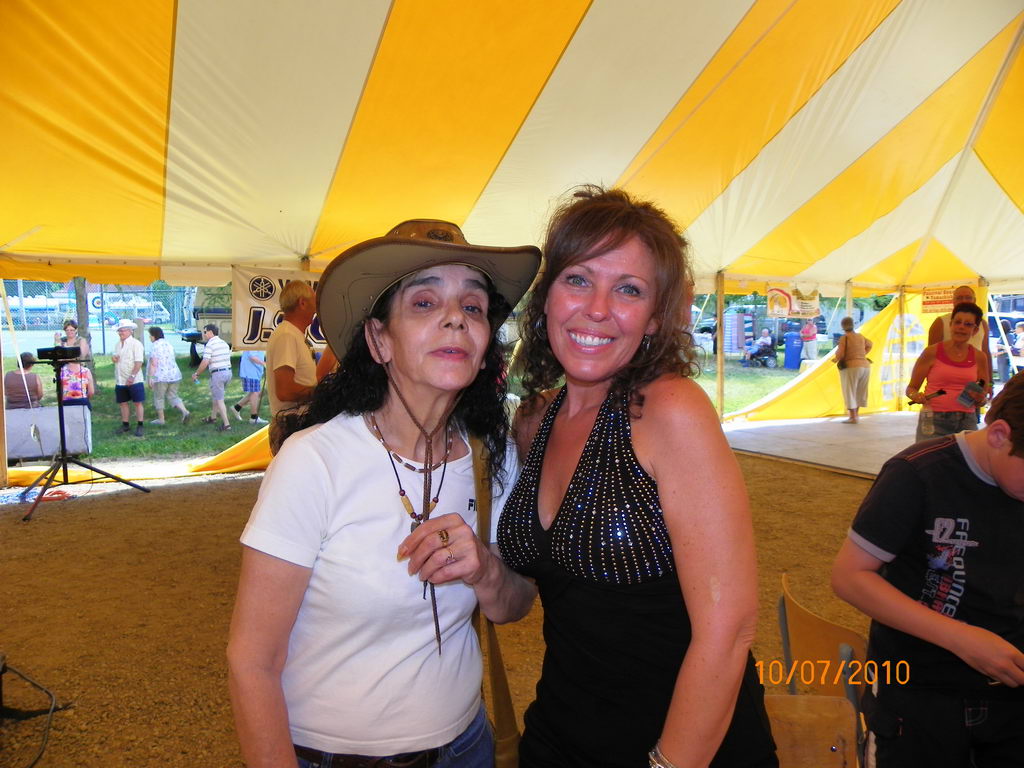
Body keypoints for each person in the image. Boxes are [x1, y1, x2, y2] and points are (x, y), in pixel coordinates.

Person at [227, 219, 541, 767]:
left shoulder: (493, 458)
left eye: (472, 306)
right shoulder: (315, 462)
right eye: (424, 303)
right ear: (378, 339)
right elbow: (251, 661)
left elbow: (515, 606)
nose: (455, 318)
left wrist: (485, 570)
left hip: (467, 749)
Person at [498, 187, 776, 767]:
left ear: (653, 319)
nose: (597, 308)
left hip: (682, 747)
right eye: (578, 279)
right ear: (546, 298)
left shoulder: (669, 411)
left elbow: (728, 630)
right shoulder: (534, 420)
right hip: (558, 736)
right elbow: (537, 591)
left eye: (628, 289)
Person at [831, 372, 1024, 768]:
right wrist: (961, 638)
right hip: (919, 692)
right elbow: (850, 577)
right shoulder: (917, 473)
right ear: (999, 435)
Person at [907, 302, 990, 443]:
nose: (961, 327)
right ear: (950, 325)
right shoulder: (931, 352)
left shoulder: (979, 357)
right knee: (929, 457)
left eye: (968, 324)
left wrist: (980, 399)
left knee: (969, 458)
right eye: (957, 322)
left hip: (967, 420)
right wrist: (915, 396)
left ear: (975, 330)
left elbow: (982, 396)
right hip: (933, 420)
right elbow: (911, 388)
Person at [266, 280, 317, 416]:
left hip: (298, 421)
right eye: (314, 301)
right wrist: (321, 393)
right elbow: (285, 391)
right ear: (302, 303)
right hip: (291, 422)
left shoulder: (292, 334)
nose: (316, 307)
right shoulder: (287, 335)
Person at [927, 284, 991, 380]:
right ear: (953, 301)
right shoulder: (940, 322)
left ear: (974, 300)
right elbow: (931, 356)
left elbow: (986, 352)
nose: (964, 301)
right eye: (959, 298)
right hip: (947, 377)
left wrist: (990, 381)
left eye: (968, 298)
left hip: (975, 380)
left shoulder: (983, 324)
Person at [191, 324, 232, 431]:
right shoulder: (224, 343)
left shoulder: (210, 344)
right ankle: (213, 418)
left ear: (210, 332)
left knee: (219, 399)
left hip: (218, 374)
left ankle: (226, 424)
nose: (204, 334)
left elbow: (205, 361)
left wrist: (197, 374)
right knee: (216, 396)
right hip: (228, 372)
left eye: (205, 332)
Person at [147, 326, 190, 425]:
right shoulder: (168, 344)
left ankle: (161, 419)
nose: (149, 337)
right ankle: (185, 411)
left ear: (154, 336)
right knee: (173, 395)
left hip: (161, 376)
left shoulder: (155, 346)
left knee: (159, 397)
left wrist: (151, 378)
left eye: (150, 335)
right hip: (174, 375)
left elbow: (154, 364)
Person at [835, 316, 873, 423]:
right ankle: (856, 415)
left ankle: (853, 417)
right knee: (860, 391)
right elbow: (870, 344)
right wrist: (862, 354)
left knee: (850, 391)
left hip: (851, 366)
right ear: (853, 325)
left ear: (842, 326)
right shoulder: (860, 336)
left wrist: (836, 358)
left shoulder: (844, 338)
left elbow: (840, 354)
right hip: (865, 366)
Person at [112, 319, 146, 437]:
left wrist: (132, 376)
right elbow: (116, 358)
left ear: (130, 331)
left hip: (134, 379)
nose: (121, 332)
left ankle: (140, 425)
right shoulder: (117, 344)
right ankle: (125, 424)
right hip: (120, 379)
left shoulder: (136, 344)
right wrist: (114, 359)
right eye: (119, 330)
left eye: (123, 330)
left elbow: (138, 362)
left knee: (137, 402)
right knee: (123, 402)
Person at [232, 349, 267, 425]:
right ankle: (253, 418)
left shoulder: (258, 343)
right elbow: (252, 357)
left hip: (254, 371)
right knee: (255, 393)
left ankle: (236, 408)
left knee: (254, 392)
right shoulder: (253, 343)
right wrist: (264, 364)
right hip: (250, 372)